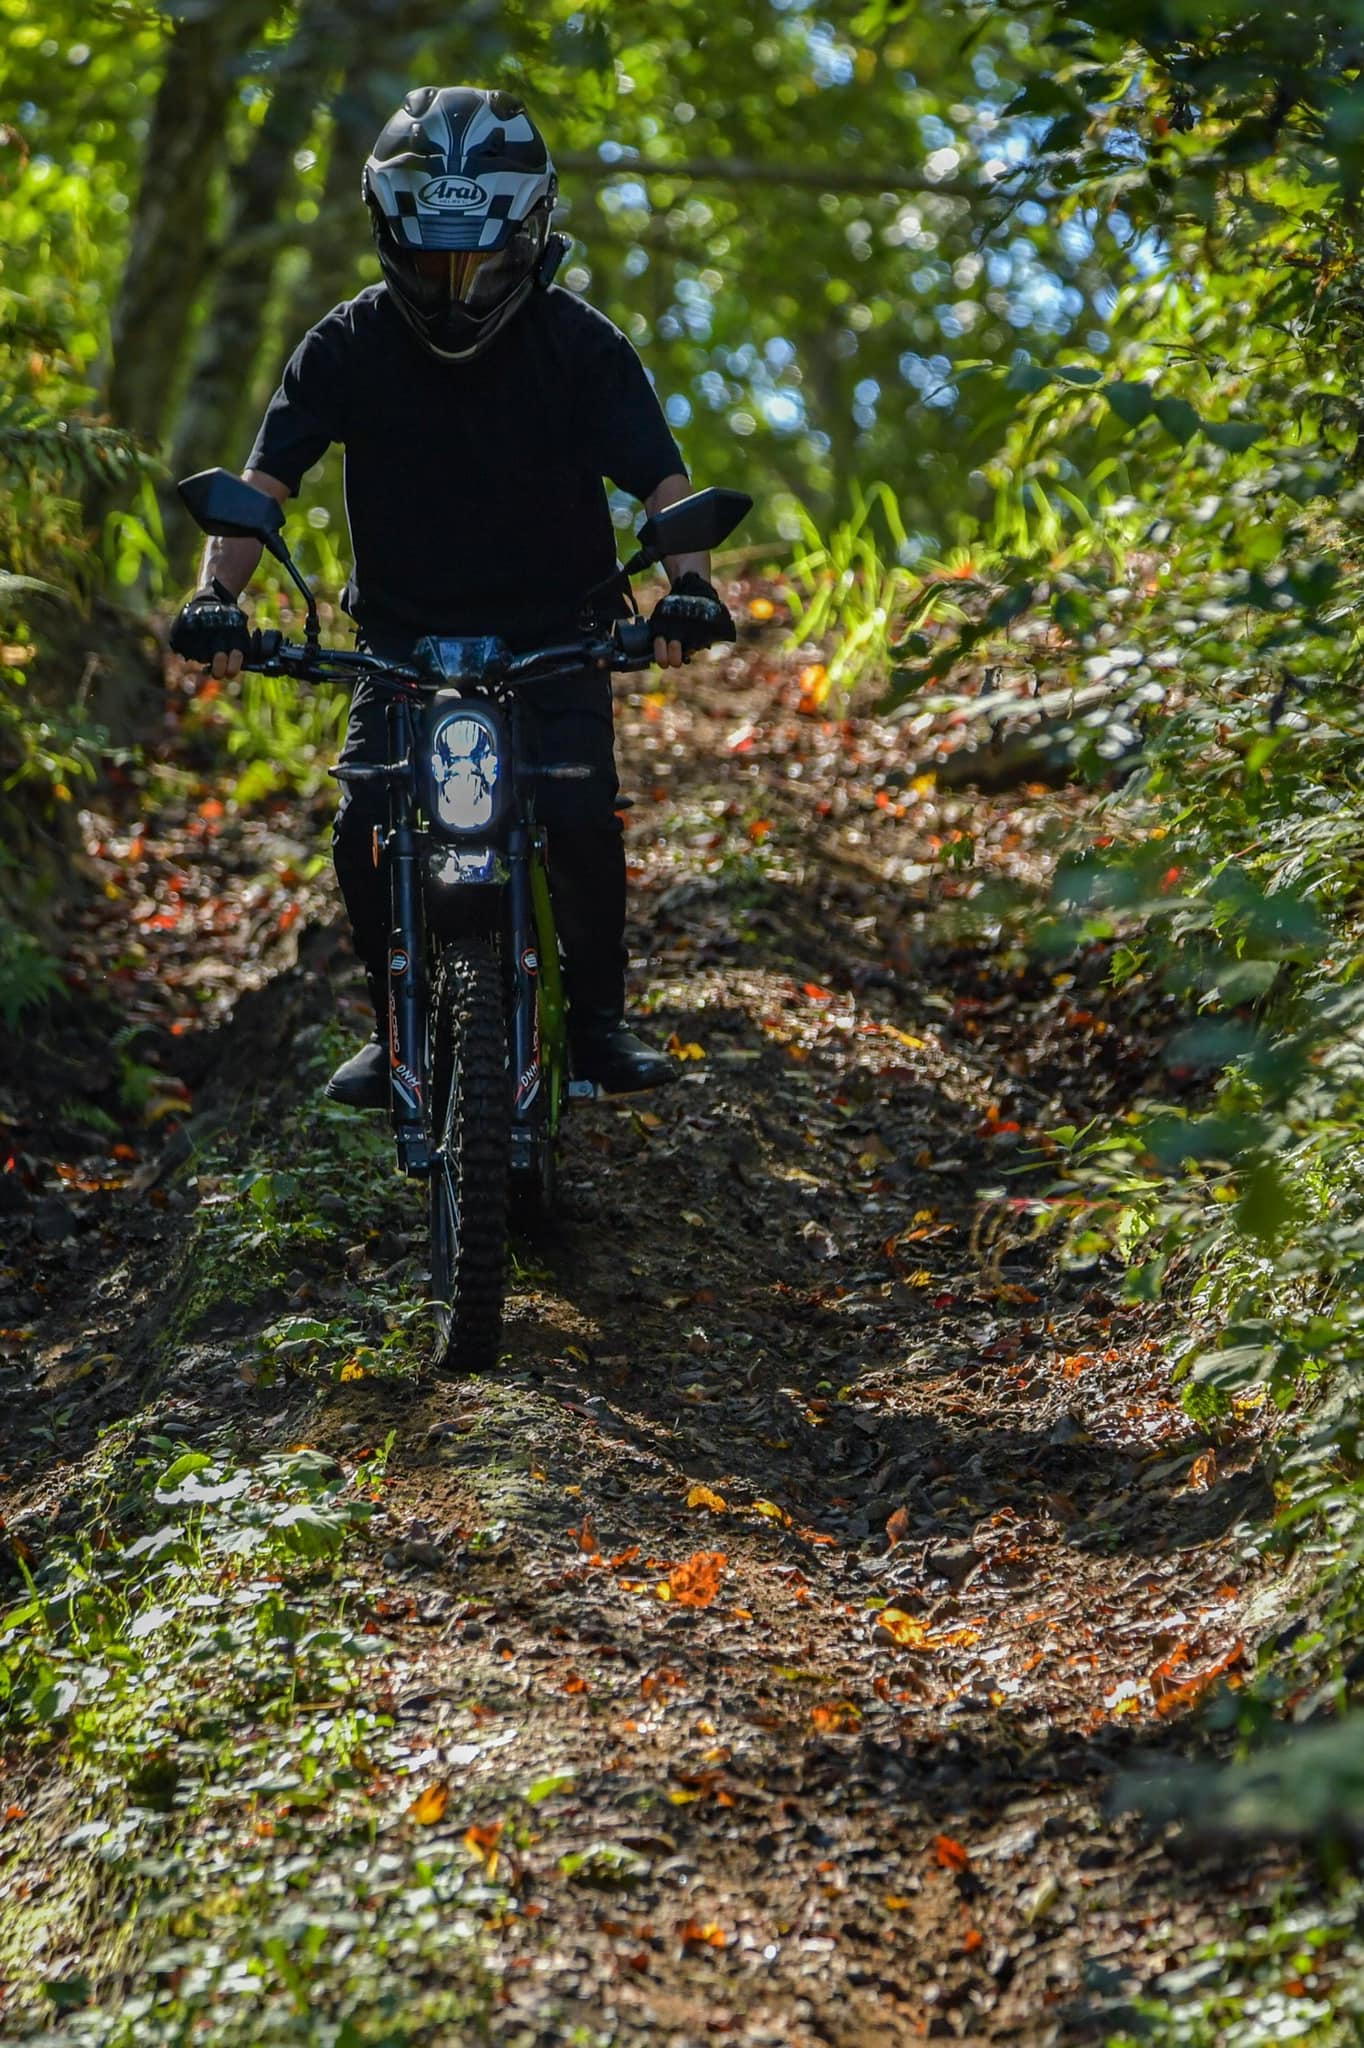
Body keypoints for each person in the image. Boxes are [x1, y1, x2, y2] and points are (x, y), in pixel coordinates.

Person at [170, 85, 735, 1105]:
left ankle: (597, 1024)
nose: (456, 286)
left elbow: (662, 483)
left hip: (557, 633)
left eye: (479, 260)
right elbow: (259, 488)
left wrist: (688, 588)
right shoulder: (343, 345)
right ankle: (395, 1031)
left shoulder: (582, 344)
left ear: (531, 234)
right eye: (431, 259)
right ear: (389, 233)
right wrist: (216, 599)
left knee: (576, 816)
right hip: (400, 639)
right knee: (360, 824)